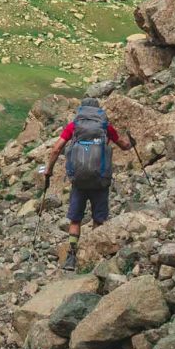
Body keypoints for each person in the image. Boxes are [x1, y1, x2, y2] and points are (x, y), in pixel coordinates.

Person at [42, 99, 132, 270]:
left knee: (75, 219)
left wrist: (48, 170)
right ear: (98, 111)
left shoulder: (74, 126)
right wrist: (131, 144)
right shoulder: (105, 126)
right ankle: (95, 257)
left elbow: (56, 149)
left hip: (79, 181)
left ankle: (72, 255)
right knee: (99, 218)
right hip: (100, 180)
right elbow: (123, 145)